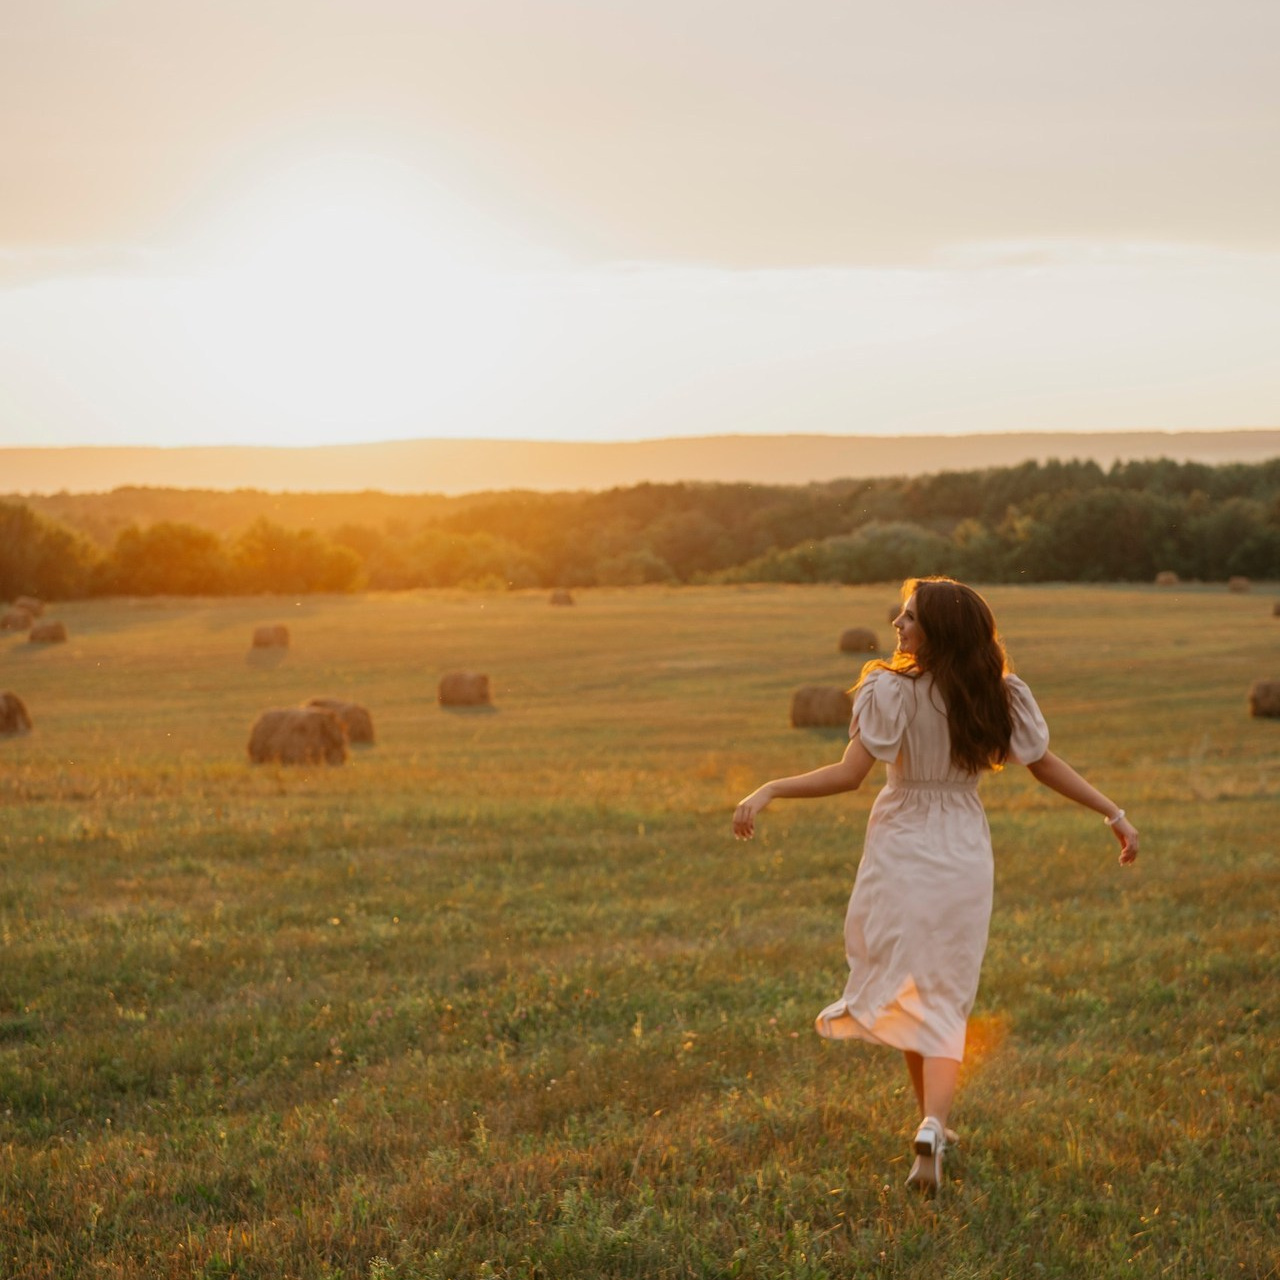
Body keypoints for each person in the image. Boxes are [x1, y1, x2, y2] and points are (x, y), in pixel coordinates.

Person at [732, 577, 1138, 1193]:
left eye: (911, 616)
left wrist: (769, 789)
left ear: (937, 631)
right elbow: (1044, 766)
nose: (897, 623)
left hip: (900, 838)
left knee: (911, 987)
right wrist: (1113, 812)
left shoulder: (888, 690)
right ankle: (934, 1126)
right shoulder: (994, 692)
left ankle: (931, 1123)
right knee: (944, 989)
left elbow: (849, 776)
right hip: (961, 843)